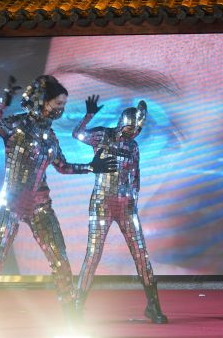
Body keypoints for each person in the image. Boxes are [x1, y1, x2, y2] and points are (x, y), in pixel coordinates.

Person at [0, 75, 116, 329]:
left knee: (60, 259)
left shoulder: (50, 137)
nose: (61, 109)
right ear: (43, 101)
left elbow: (63, 166)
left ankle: (72, 318)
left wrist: (92, 167)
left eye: (63, 105)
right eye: (58, 104)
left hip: (40, 205)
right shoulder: (16, 125)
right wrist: (3, 101)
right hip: (10, 204)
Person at [73, 96, 168, 324]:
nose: (134, 133)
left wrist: (133, 199)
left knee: (141, 254)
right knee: (93, 254)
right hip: (101, 204)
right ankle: (76, 306)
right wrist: (89, 115)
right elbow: (77, 134)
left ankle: (153, 306)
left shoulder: (133, 147)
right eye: (131, 128)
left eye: (138, 130)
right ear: (123, 123)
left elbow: (136, 177)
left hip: (126, 206)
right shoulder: (102, 135)